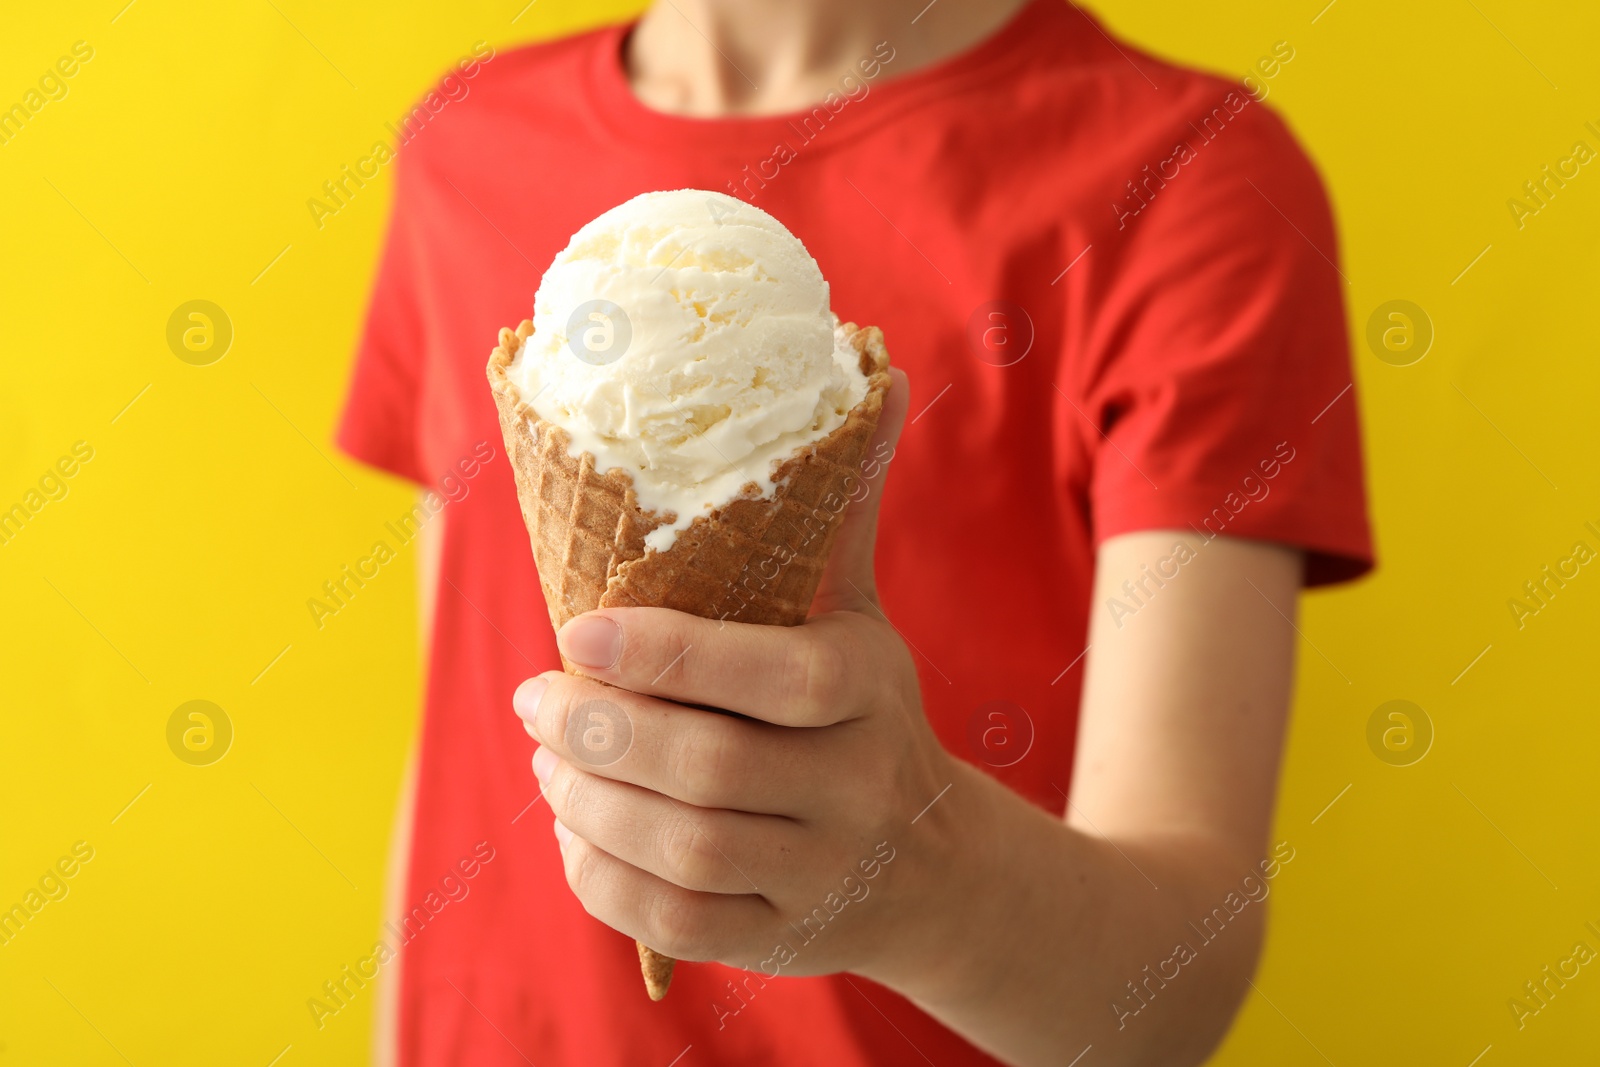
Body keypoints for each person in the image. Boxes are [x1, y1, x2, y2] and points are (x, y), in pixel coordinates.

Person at [336, 0, 1373, 1063]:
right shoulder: (467, 142)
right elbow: (453, 746)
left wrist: (919, 872)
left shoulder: (1188, 178)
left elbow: (1170, 1002)